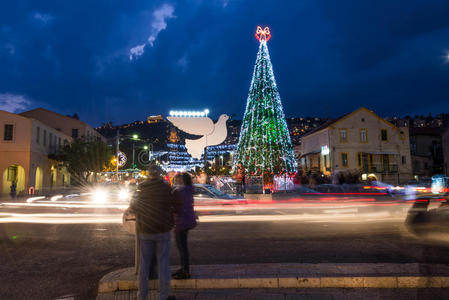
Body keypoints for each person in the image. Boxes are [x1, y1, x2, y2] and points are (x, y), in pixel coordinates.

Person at [130, 164, 181, 300]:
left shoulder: (140, 188)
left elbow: (133, 206)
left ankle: (142, 296)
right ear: (159, 174)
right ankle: (163, 296)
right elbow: (174, 206)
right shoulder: (166, 188)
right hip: (162, 230)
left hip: (145, 229)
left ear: (148, 174)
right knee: (163, 264)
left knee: (144, 264)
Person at [172, 173, 197, 279]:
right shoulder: (188, 190)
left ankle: (185, 270)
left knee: (182, 247)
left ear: (182, 181)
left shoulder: (181, 192)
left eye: (178, 179)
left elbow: (177, 206)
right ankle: (183, 268)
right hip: (186, 220)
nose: (176, 181)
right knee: (183, 247)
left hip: (181, 221)